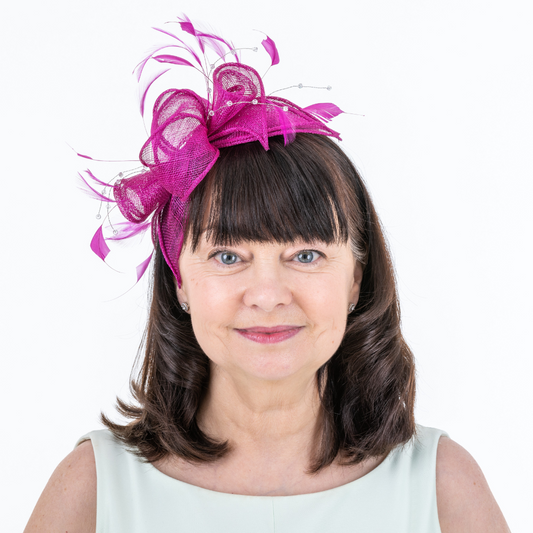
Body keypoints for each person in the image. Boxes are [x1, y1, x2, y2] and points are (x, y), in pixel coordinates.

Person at [24, 16, 510, 533]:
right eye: (228, 256)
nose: (267, 294)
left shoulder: (443, 486)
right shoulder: (92, 490)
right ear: (180, 281)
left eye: (305, 255)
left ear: (356, 279)